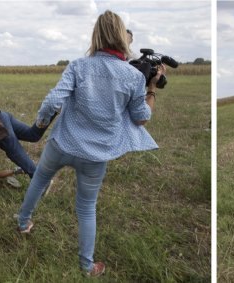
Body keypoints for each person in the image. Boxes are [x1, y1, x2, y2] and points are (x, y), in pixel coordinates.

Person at [15, 10, 164, 277]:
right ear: (122, 37)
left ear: (96, 35)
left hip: (61, 143)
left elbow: (52, 102)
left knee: (38, 180)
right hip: (96, 155)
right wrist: (151, 87)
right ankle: (86, 265)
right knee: (86, 207)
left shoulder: (78, 66)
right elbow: (142, 118)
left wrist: (39, 124)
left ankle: (23, 223)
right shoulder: (133, 77)